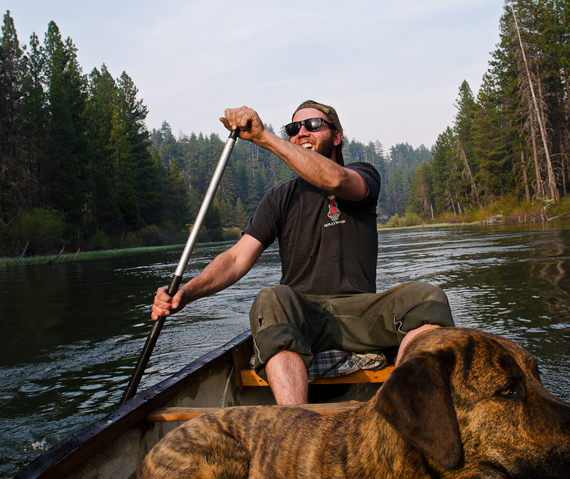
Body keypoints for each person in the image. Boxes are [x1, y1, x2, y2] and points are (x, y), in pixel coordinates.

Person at [151, 100, 455, 405]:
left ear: (337, 136)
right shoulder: (278, 198)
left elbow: (335, 179)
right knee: (271, 298)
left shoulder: (361, 175)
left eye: (313, 125)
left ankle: (404, 407)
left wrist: (264, 137)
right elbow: (235, 258)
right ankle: (295, 422)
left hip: (361, 313)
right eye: (294, 128)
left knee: (426, 297)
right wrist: (187, 293)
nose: (301, 133)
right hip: (303, 318)